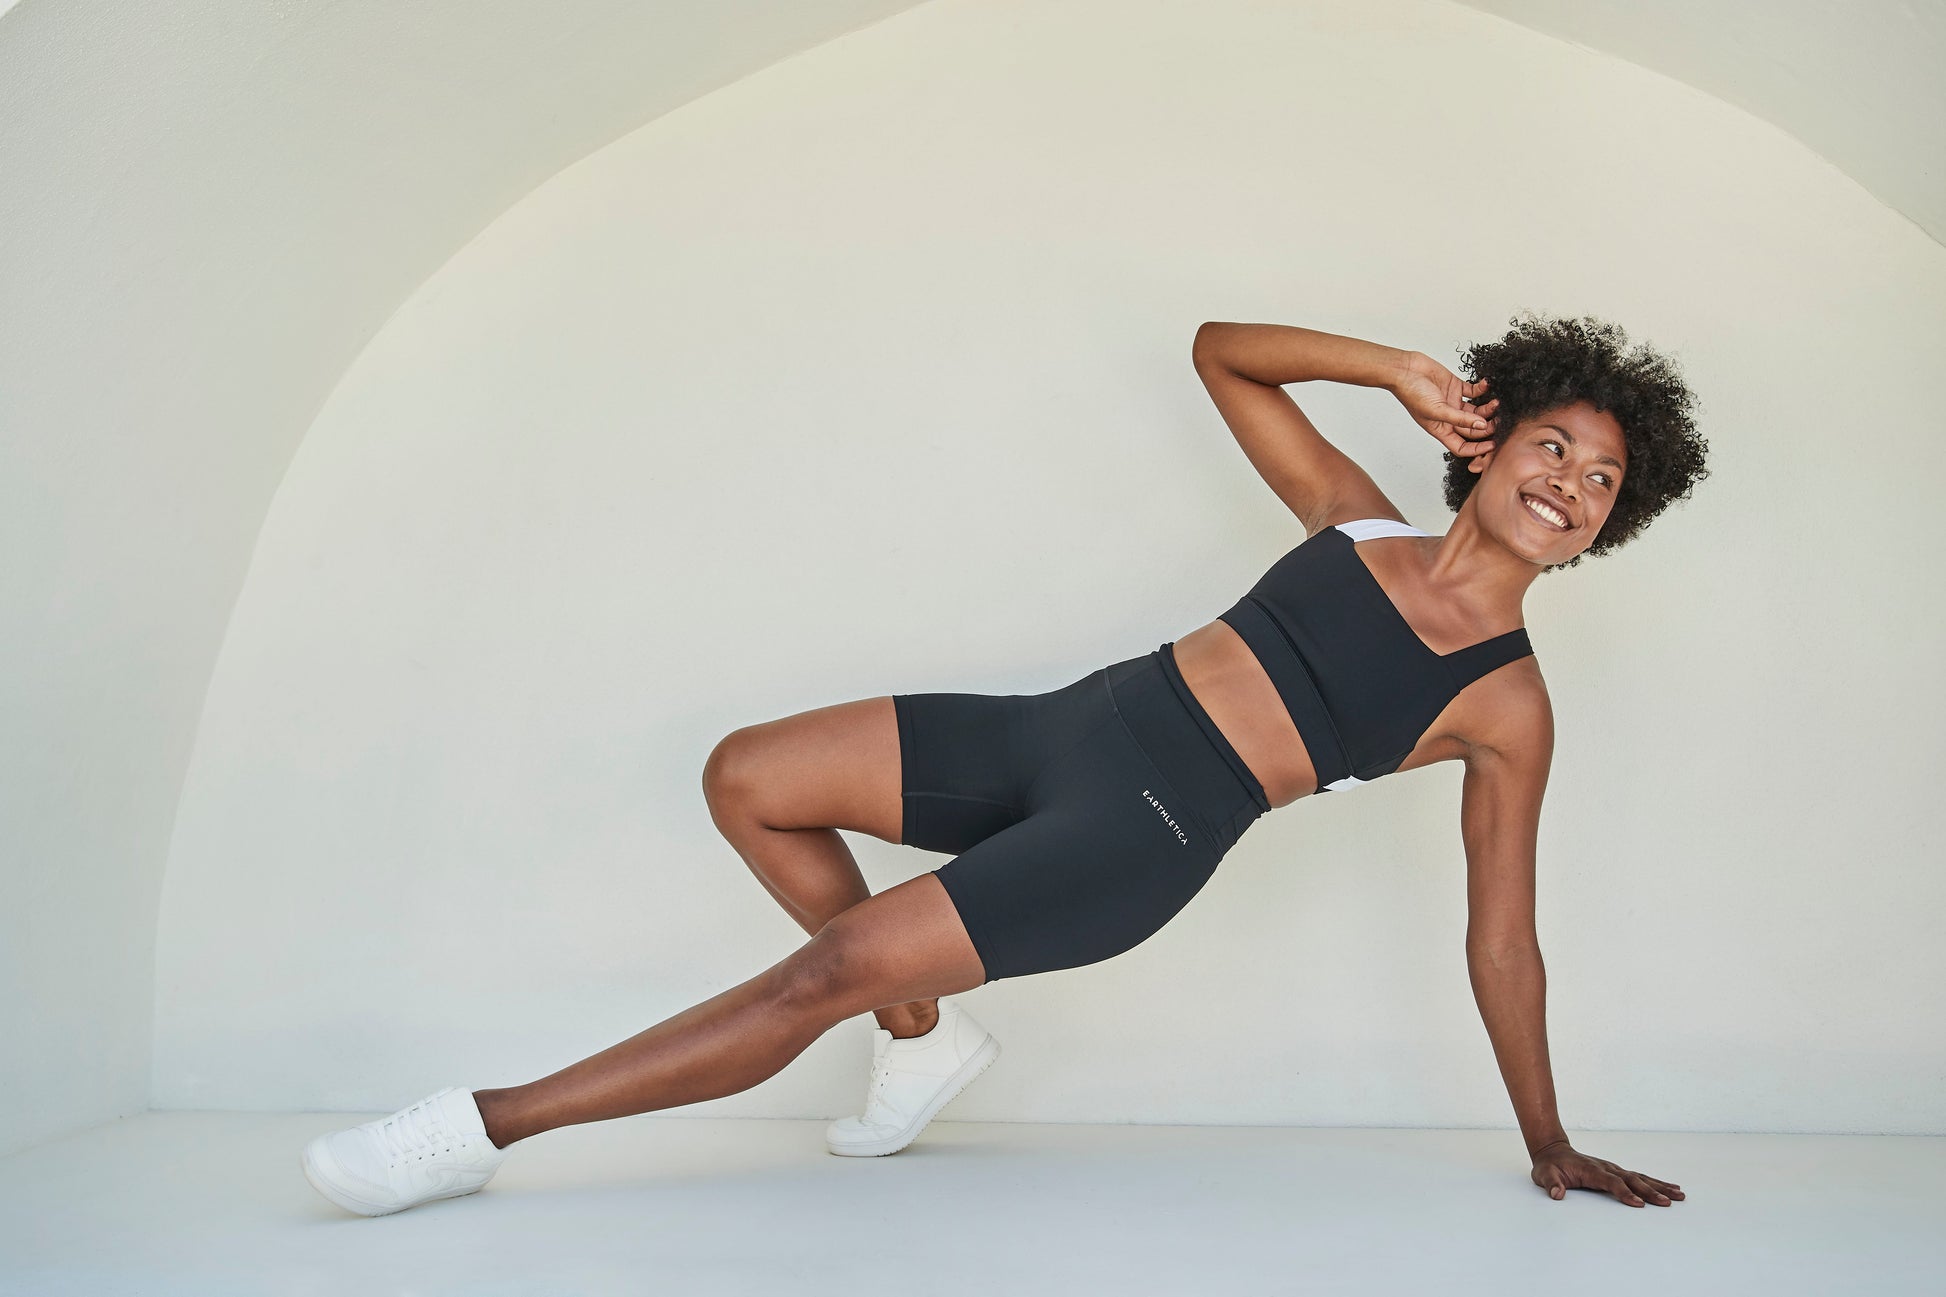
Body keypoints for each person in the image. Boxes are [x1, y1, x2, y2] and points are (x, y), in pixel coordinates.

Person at [301, 313, 1707, 1217]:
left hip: (1140, 838)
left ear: (1608, 525)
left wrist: (1549, 1133)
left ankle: (480, 1126)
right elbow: (1221, 350)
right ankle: (924, 1038)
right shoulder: (1351, 523)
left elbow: (1502, 935)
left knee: (822, 968)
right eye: (1555, 445)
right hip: (1065, 725)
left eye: (1600, 482)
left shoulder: (1505, 703)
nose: (1570, 484)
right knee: (746, 775)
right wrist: (1385, 367)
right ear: (1487, 437)